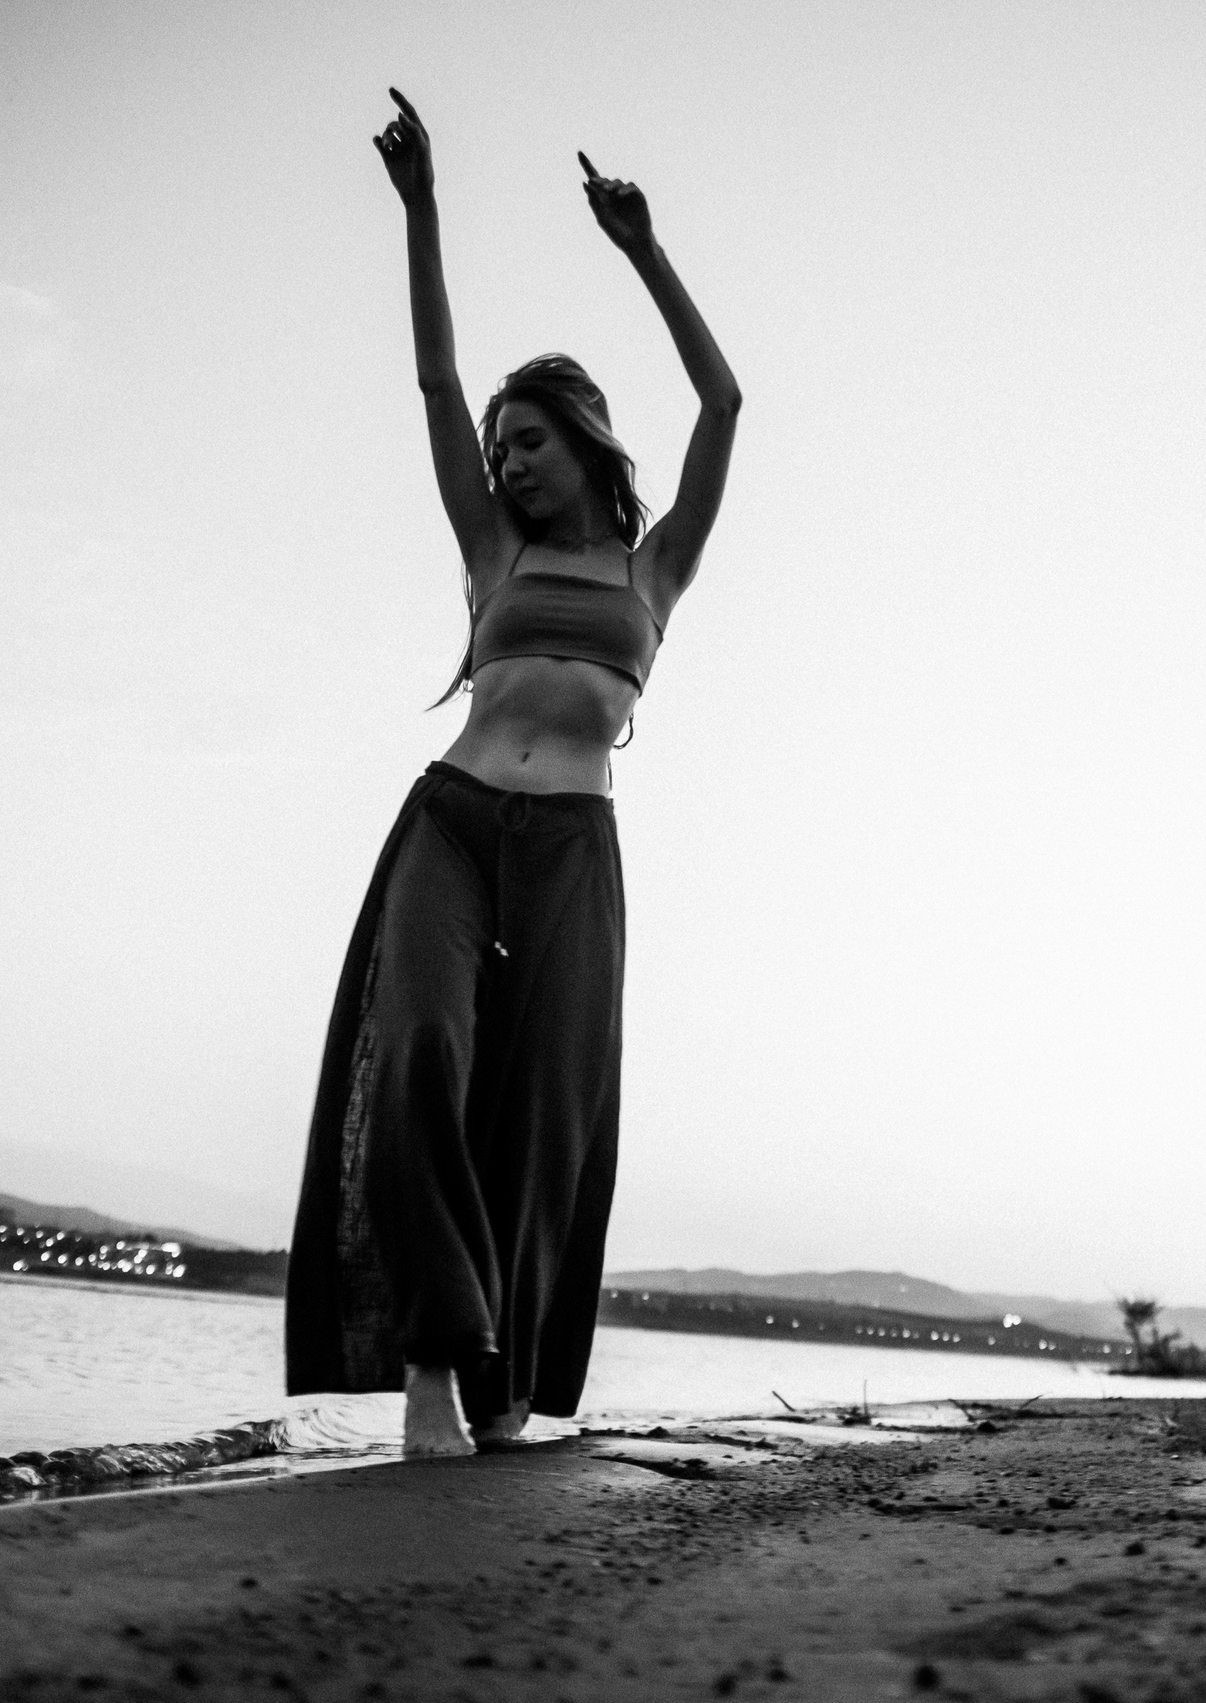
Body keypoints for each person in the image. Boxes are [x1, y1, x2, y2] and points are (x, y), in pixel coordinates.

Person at [285, 89, 741, 1457]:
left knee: (544, 1107)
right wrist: (423, 212)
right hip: (456, 817)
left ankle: (502, 1383)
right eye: (498, 452)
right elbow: (435, 382)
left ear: (583, 442)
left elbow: (724, 399)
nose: (505, 462)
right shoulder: (495, 557)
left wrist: (644, 253)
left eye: (526, 442)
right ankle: (434, 1359)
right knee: (419, 1043)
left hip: (573, 851)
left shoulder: (656, 567)